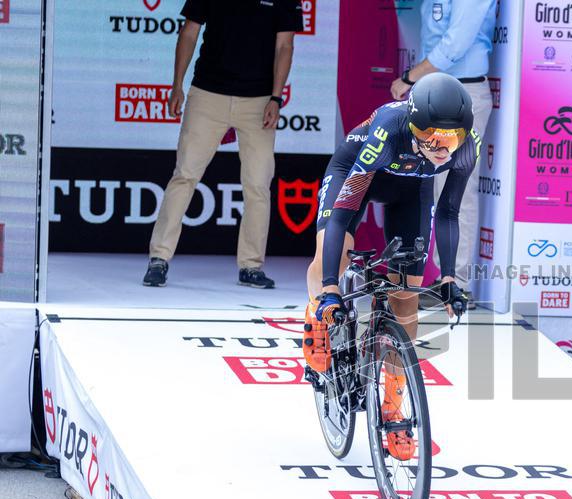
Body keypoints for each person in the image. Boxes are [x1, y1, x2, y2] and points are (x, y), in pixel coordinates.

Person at [307, 74, 477, 458]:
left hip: (410, 191)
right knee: (331, 254)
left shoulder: (469, 145)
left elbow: (448, 213)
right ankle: (316, 316)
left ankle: (395, 406)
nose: (441, 147)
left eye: (451, 139)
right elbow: (343, 212)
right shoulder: (388, 128)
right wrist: (331, 285)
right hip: (357, 172)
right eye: (430, 136)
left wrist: (448, 277)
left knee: (406, 300)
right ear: (413, 125)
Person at [142, 0, 302, 289]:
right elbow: (189, 31)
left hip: (259, 100)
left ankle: (251, 265)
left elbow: (285, 46)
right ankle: (159, 258)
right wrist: (177, 85)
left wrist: (276, 98)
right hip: (207, 92)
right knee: (185, 174)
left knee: (258, 184)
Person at [390, 0, 495, 306]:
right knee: (439, 191)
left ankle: (457, 283)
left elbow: (455, 43)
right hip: (439, 90)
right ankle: (445, 279)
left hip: (463, 92)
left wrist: (410, 76)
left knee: (457, 191)